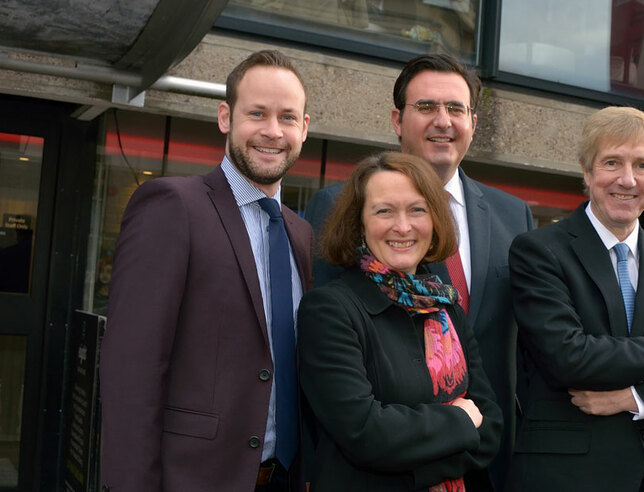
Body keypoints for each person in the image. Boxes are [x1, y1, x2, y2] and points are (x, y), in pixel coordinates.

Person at [304, 53, 532, 489]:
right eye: (426, 107)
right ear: (397, 118)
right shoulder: (334, 211)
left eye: (455, 108)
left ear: (473, 121)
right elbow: (343, 402)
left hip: (487, 472)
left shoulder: (513, 217)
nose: (442, 120)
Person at [100, 50, 312, 491]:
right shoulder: (173, 206)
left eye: (287, 117)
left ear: (304, 128)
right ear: (225, 117)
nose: (273, 131)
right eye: (257, 113)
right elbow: (131, 370)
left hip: (286, 480)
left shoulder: (303, 236)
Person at [506, 106, 644, 492]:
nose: (627, 180)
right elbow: (568, 357)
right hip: (570, 477)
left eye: (642, 166)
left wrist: (632, 398)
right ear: (588, 172)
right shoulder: (539, 251)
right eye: (612, 162)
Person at [297, 151, 501, 490]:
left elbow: (491, 427)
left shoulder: (447, 307)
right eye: (384, 211)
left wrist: (418, 462)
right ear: (359, 224)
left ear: (435, 220)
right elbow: (365, 433)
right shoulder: (329, 310)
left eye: (417, 210)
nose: (403, 226)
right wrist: (460, 419)